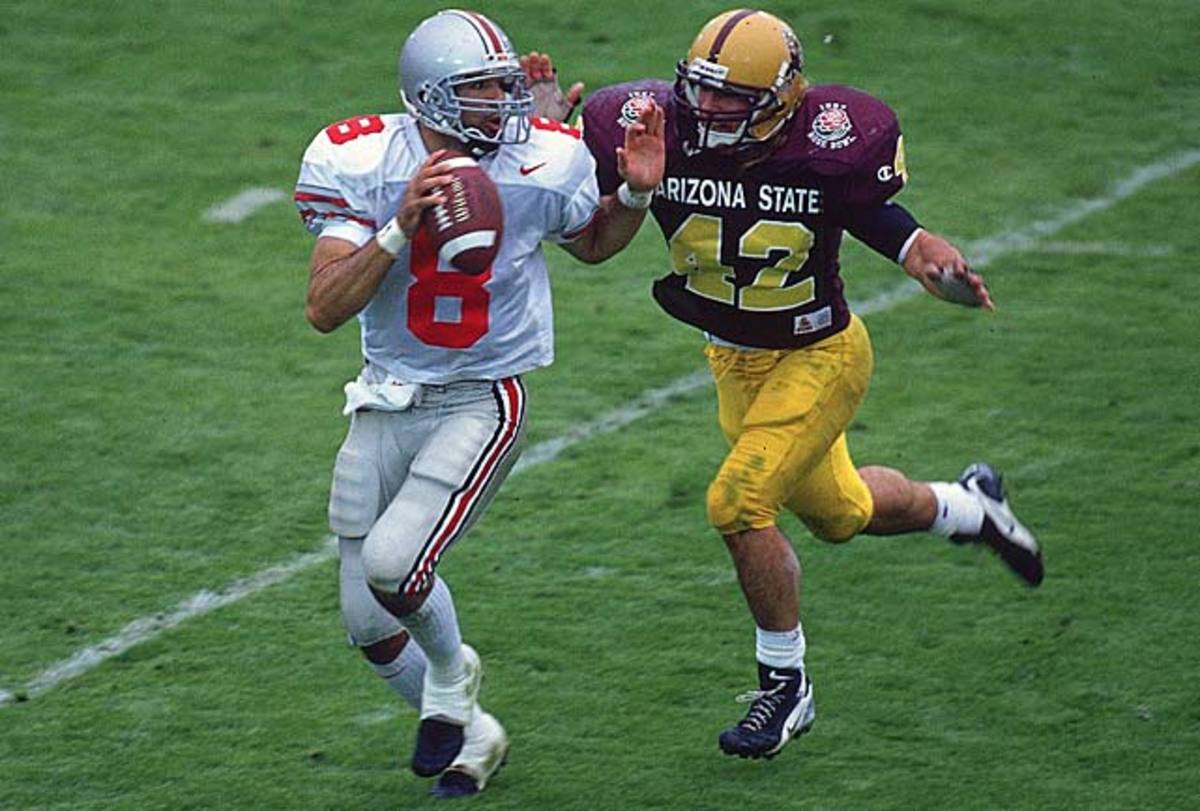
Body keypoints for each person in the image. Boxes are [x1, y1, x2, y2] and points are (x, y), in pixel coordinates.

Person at [527, 8, 1043, 761]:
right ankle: (970, 506)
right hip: (735, 363)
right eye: (698, 90)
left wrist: (933, 262)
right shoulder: (647, 126)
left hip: (819, 355)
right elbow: (587, 235)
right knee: (841, 513)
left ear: (782, 100)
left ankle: (784, 682)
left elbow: (888, 223)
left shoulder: (829, 141)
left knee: (736, 502)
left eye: (729, 97)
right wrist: (551, 141)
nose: (705, 109)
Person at [294, 9, 663, 798]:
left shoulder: (547, 157)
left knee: (398, 565)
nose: (504, 100)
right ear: (428, 98)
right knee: (367, 622)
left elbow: (592, 244)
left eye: (503, 85)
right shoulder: (360, 157)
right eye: (483, 88)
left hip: (480, 397)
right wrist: (398, 226)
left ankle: (451, 683)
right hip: (386, 395)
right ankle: (478, 728)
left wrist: (632, 192)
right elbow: (325, 307)